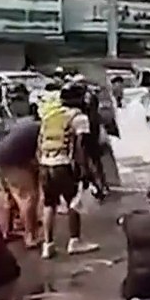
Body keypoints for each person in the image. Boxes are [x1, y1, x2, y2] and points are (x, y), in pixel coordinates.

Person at [36, 82, 99, 259]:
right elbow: (81, 146)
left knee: (50, 204)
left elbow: (39, 143)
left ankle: (48, 245)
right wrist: (85, 170)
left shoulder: (50, 116)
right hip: (64, 164)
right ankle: (75, 241)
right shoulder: (79, 118)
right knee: (74, 201)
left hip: (45, 163)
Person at [0, 117, 40, 249]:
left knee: (10, 196)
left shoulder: (26, 125)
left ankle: (7, 231)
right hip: (14, 160)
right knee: (28, 197)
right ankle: (30, 236)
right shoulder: (42, 131)